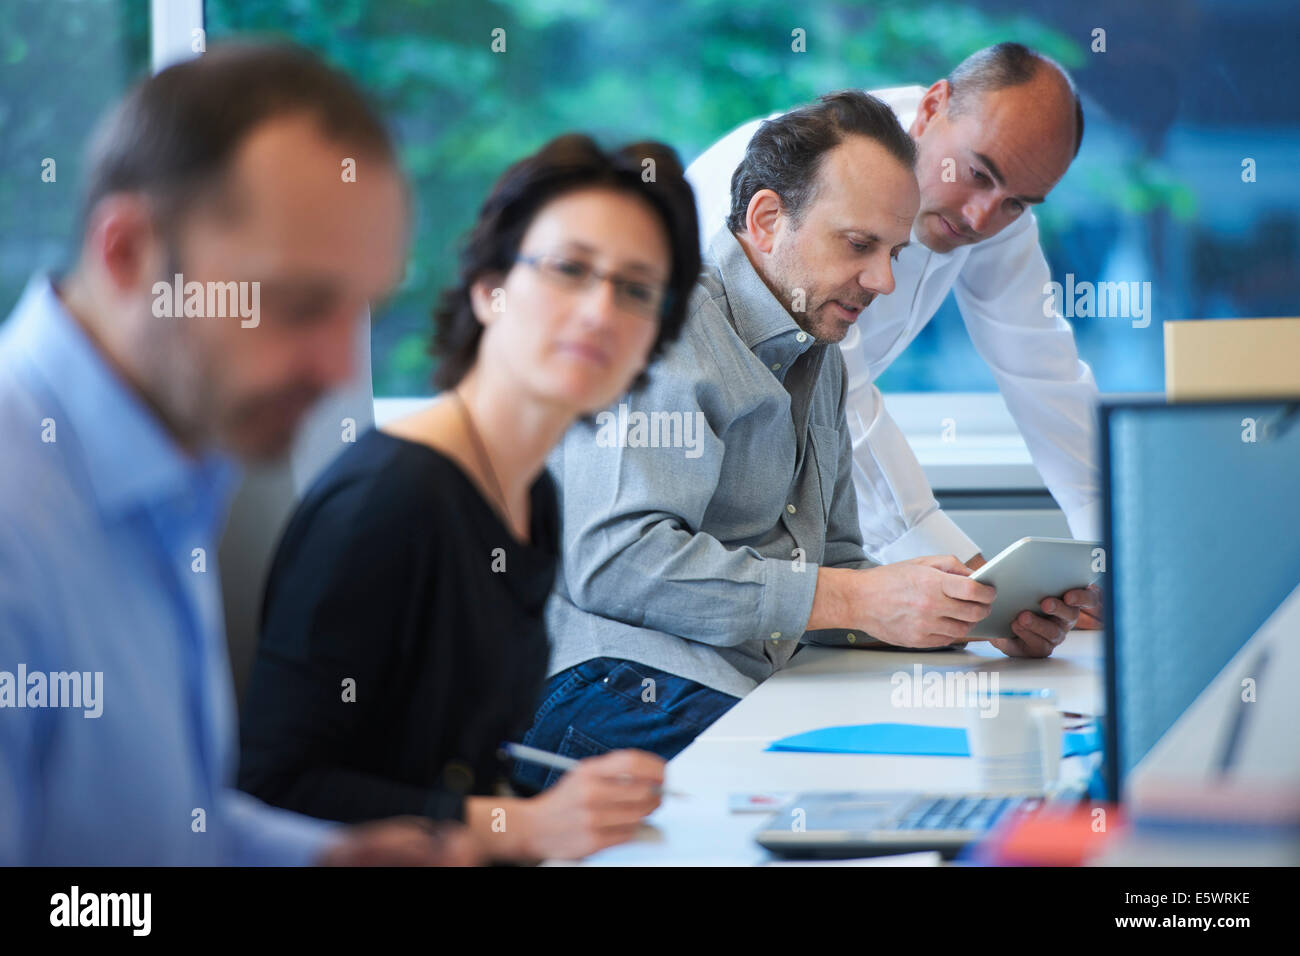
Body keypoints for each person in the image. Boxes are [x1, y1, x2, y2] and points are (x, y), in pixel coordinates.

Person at [0, 43, 477, 866]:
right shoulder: (20, 518)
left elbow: (148, 828)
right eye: (297, 305)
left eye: (361, 311)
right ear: (128, 254)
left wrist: (321, 859)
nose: (336, 370)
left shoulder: (178, 459)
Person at [517, 90, 1058, 775]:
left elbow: (834, 566)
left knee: (950, 762)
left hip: (733, 679)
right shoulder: (668, 326)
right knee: (843, 785)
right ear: (767, 220)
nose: (884, 281)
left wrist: (966, 614)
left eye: (893, 251)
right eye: (859, 245)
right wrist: (855, 598)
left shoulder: (820, 351)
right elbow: (617, 562)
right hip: (601, 683)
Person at [238, 134, 702, 862]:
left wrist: (570, 805)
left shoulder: (531, 498)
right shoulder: (392, 501)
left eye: (636, 289)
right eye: (571, 269)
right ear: (490, 289)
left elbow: (462, 764)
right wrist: (521, 826)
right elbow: (276, 789)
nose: (599, 312)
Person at [687, 43, 1104, 628]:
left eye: (1016, 203)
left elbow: (1046, 376)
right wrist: (974, 589)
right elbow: (848, 400)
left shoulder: (986, 203)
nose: (983, 218)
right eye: (978, 174)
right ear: (933, 106)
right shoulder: (815, 184)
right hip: (695, 511)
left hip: (785, 524)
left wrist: (1118, 563)